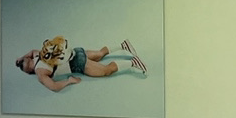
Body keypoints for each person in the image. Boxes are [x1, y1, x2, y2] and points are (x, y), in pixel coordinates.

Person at [15, 37, 147, 92]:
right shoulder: (36, 53)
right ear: (28, 59)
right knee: (100, 54)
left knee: (106, 70)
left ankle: (133, 62)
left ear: (28, 71)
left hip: (77, 63)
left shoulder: (40, 73)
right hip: (76, 52)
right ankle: (123, 45)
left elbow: (54, 86)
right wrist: (20, 58)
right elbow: (30, 52)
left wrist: (69, 81)